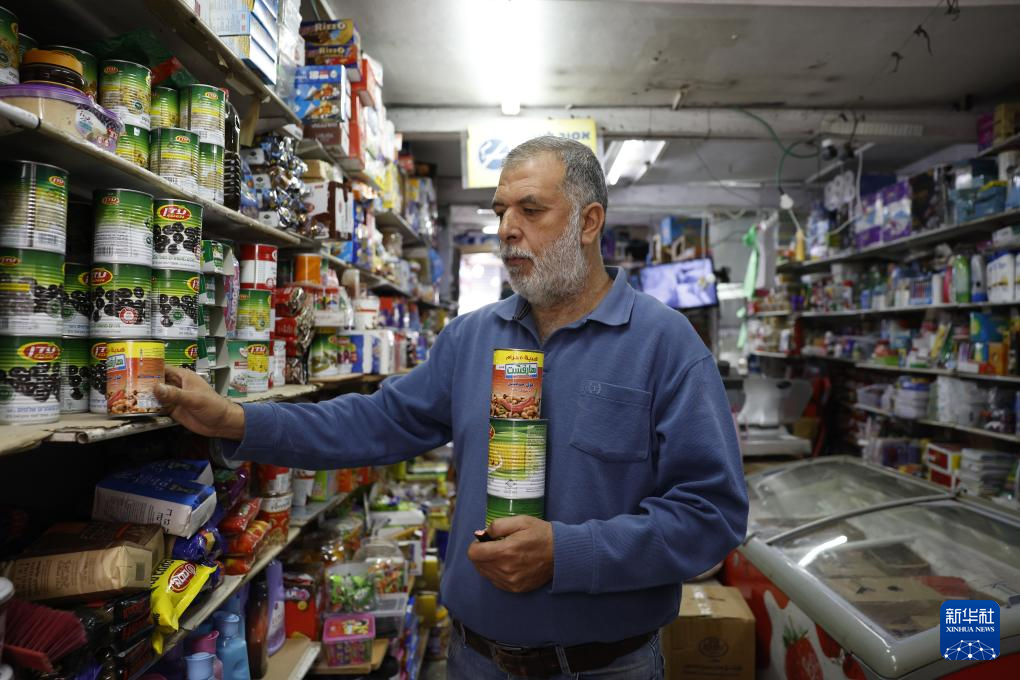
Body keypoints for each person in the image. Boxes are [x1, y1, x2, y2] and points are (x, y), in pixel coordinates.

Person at [157, 136, 748, 680]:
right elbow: (376, 421)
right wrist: (238, 419)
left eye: (531, 210)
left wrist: (568, 554)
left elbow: (711, 515)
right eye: (500, 212)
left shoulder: (665, 344)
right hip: (475, 659)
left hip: (606, 667)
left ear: (589, 222)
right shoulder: (471, 338)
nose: (507, 229)